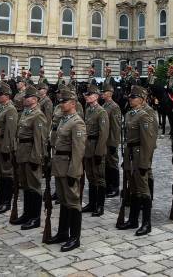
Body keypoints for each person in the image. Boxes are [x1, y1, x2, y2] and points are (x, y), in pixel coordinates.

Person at [44, 88, 86, 252]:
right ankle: (63, 232)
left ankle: (75, 237)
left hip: (69, 165)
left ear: (73, 103)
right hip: (60, 163)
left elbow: (78, 150)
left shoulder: (77, 122)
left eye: (64, 101)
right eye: (61, 101)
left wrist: (74, 171)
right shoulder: (63, 120)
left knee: (73, 201)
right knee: (63, 200)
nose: (61, 103)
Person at [117, 86, 158, 236]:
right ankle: (133, 219)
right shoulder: (129, 114)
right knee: (133, 187)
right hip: (130, 154)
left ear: (141, 99)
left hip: (140, 154)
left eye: (133, 97)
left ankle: (147, 223)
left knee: (143, 187)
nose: (130, 99)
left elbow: (148, 141)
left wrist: (145, 162)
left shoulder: (145, 115)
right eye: (130, 97)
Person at [11, 86, 49, 230]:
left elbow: (39, 139)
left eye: (27, 97)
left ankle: (35, 217)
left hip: (31, 154)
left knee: (34, 187)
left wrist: (36, 158)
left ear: (35, 99)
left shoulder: (38, 115)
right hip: (22, 153)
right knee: (26, 186)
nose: (24, 99)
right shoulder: (26, 113)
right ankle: (27, 214)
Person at [81, 84, 108, 217]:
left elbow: (103, 134)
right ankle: (92, 203)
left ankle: (100, 205)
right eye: (87, 94)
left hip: (96, 146)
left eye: (90, 94)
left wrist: (99, 152)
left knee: (99, 178)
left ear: (96, 96)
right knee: (90, 177)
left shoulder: (101, 112)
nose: (87, 96)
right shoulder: (89, 110)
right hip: (88, 147)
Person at [0, 83, 18, 215]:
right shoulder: (0, 108)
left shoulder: (10, 109)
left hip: (4, 145)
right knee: (1, 174)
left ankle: (6, 202)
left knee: (7, 174)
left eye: (0, 94)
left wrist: (7, 148)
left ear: (7, 96)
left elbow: (10, 131)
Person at [102, 85, 122, 198]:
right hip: (105, 140)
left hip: (111, 140)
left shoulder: (114, 107)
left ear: (110, 93)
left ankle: (115, 187)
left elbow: (116, 127)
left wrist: (114, 143)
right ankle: (108, 185)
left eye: (104, 92)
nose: (102, 94)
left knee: (113, 163)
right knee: (106, 164)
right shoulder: (104, 105)